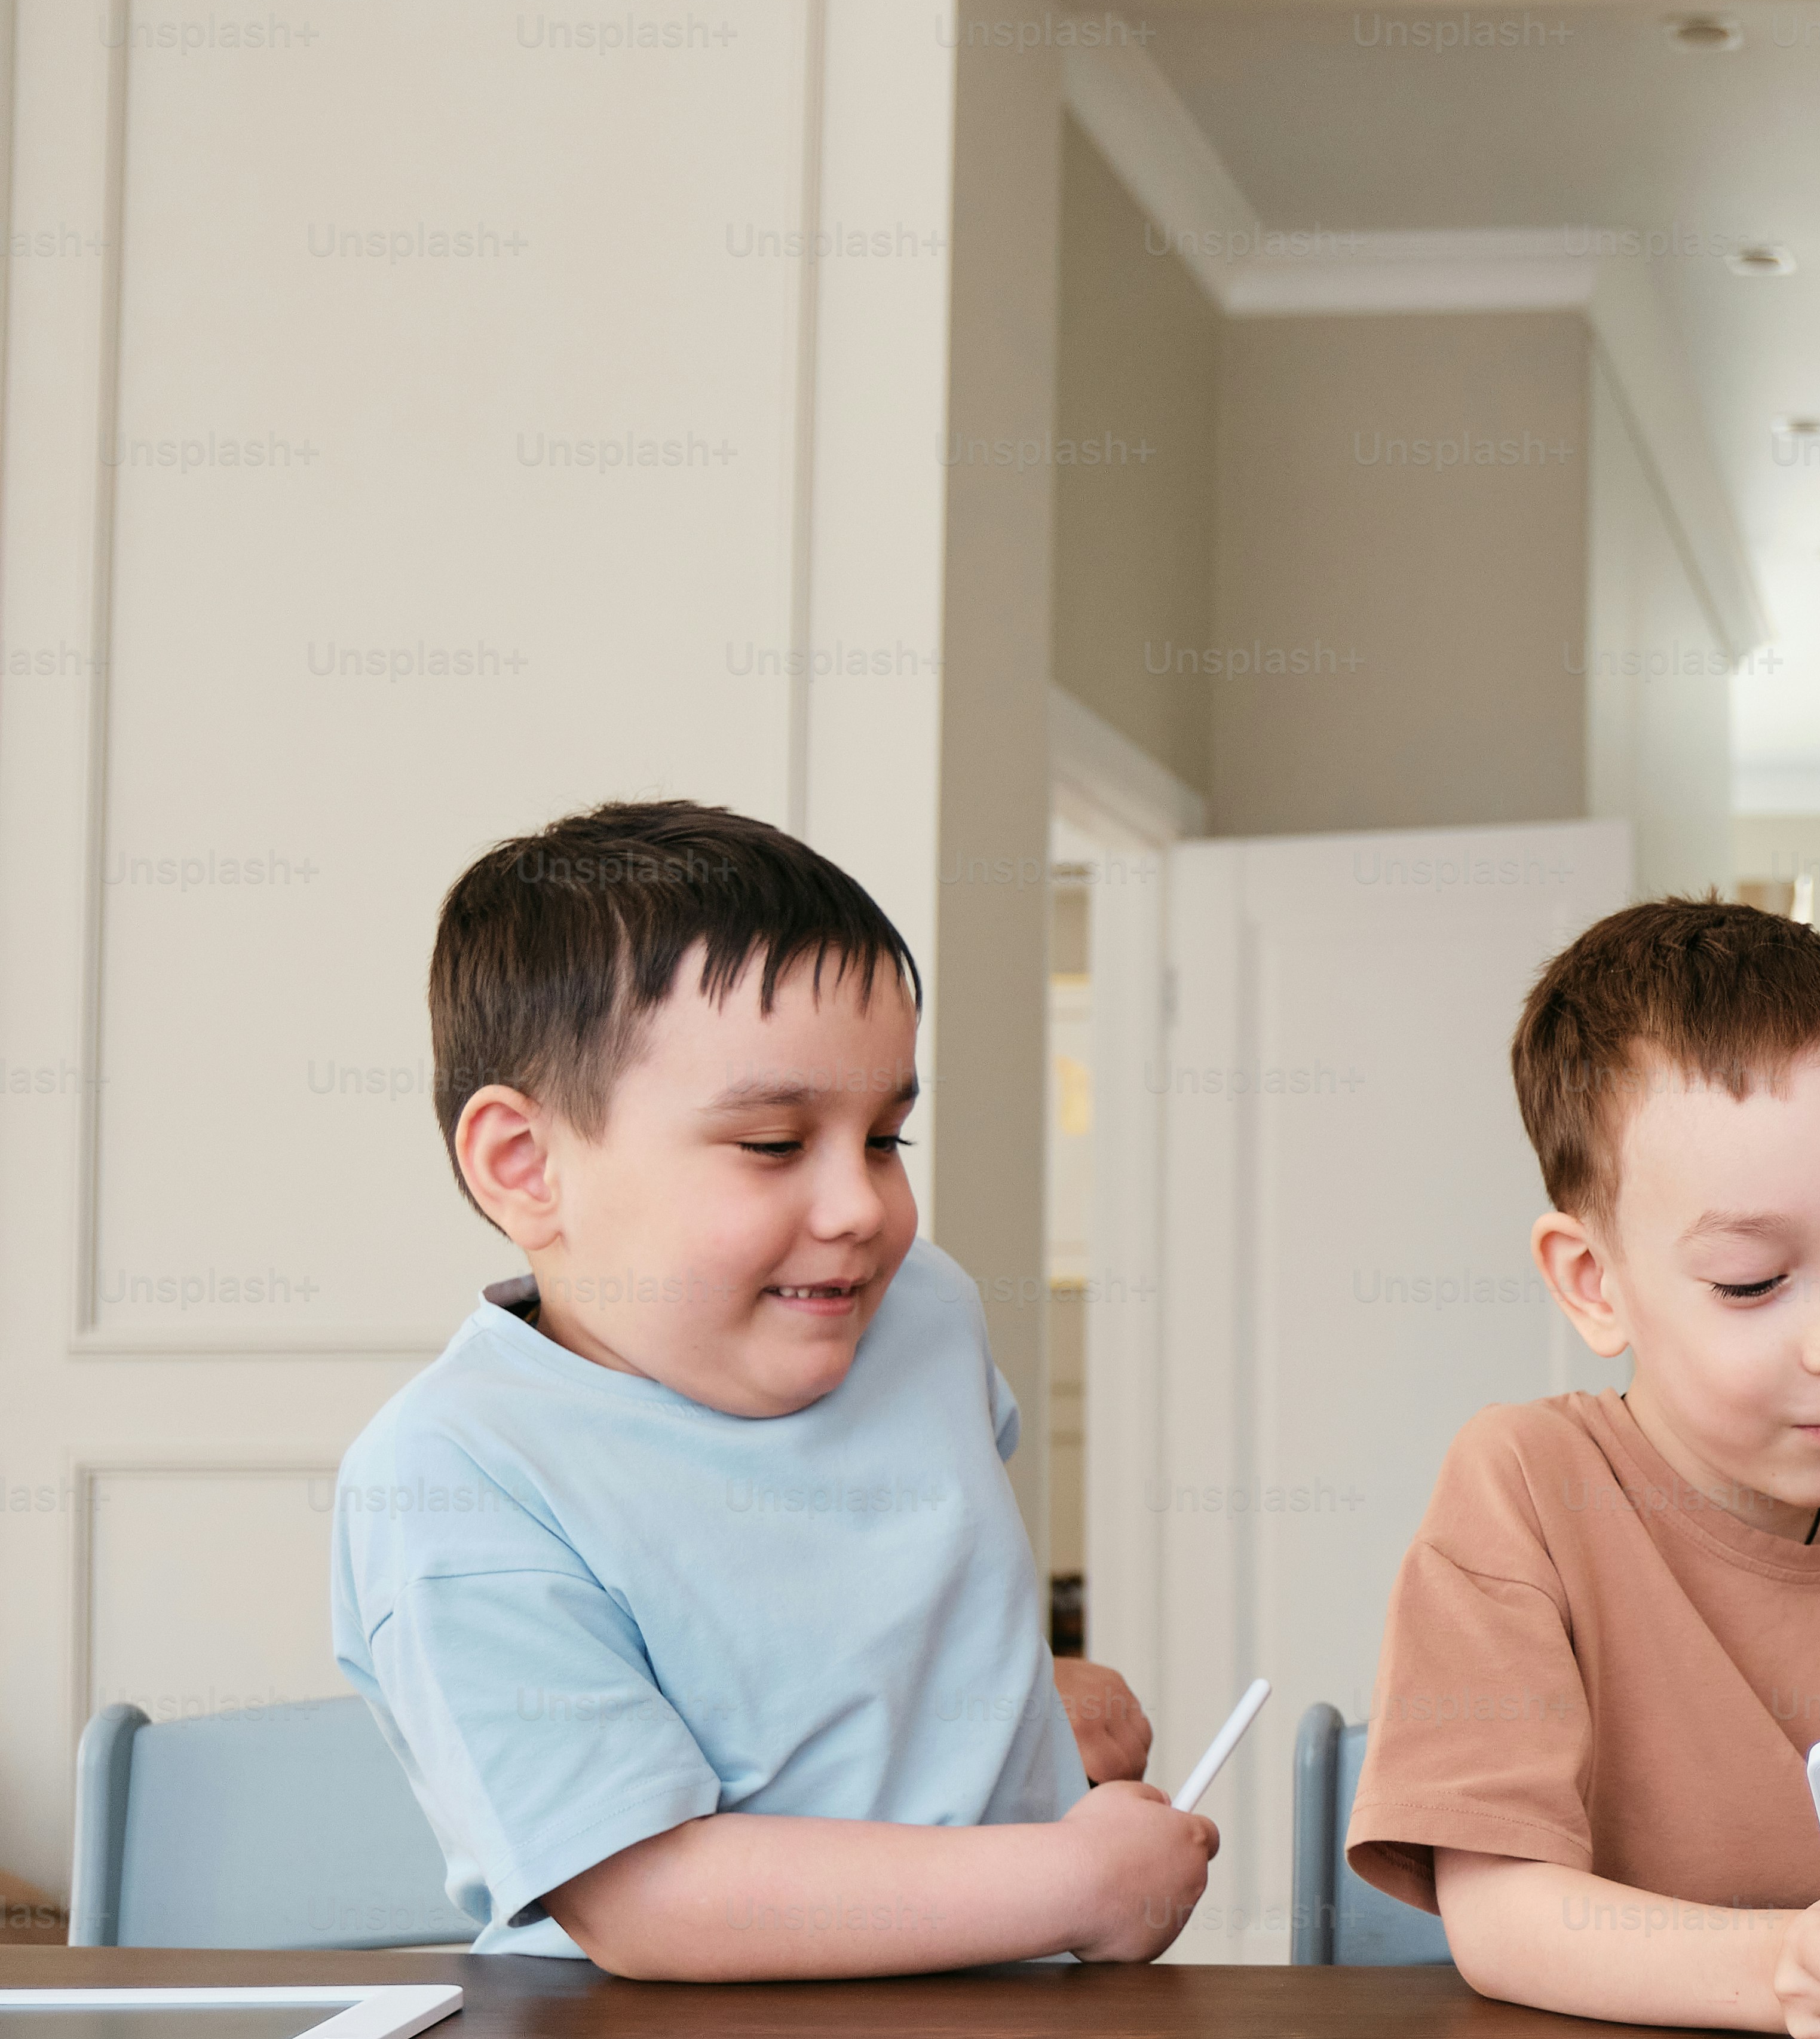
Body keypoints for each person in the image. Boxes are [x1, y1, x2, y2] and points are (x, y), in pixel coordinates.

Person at [330, 801, 1209, 1974]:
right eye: (774, 1145)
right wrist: (1076, 1884)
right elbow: (650, 1901)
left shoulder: (920, 1309)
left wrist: (1022, 1690)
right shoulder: (454, 1480)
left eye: (887, 1139)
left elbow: (872, 1620)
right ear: (525, 1168)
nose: (861, 1208)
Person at [1346, 898, 1820, 2039]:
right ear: (1591, 1284)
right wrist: (1780, 1972)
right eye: (1752, 1280)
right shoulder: (1525, 1489)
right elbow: (1503, 1915)